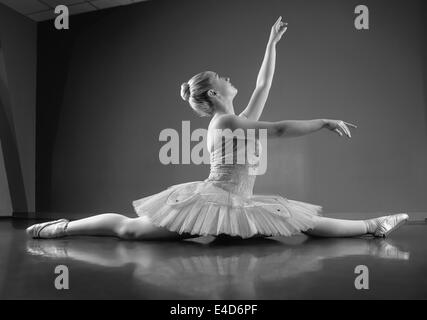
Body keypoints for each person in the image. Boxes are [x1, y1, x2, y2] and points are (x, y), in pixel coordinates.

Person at [27, 17, 408, 241]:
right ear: (213, 91)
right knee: (131, 231)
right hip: (212, 199)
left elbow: (263, 86)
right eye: (223, 78)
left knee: (300, 223)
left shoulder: (236, 119)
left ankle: (374, 225)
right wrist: (324, 121)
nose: (229, 78)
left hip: (238, 199)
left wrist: (270, 43)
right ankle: (59, 230)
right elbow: (275, 130)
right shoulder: (225, 121)